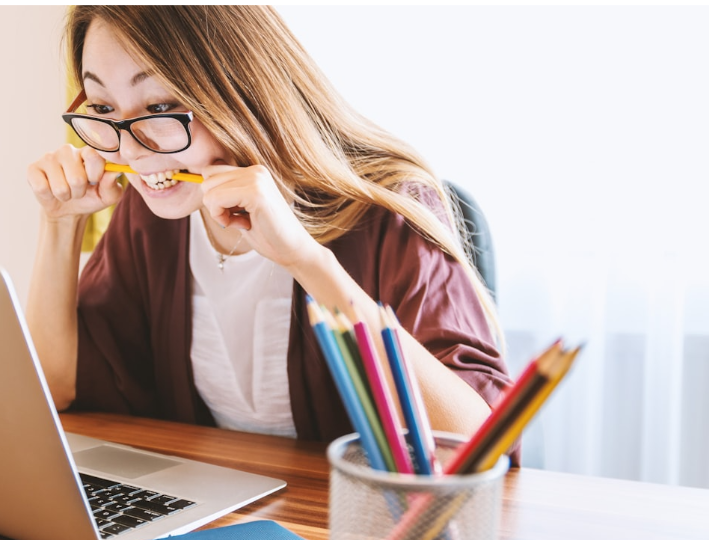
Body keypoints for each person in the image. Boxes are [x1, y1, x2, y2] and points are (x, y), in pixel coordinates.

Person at [25, 5, 517, 464]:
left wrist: (307, 260)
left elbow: (476, 444)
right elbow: (56, 385)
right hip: (223, 512)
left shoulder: (388, 210)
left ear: (239, 88)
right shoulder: (151, 217)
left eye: (160, 105)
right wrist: (61, 223)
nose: (132, 151)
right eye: (106, 109)